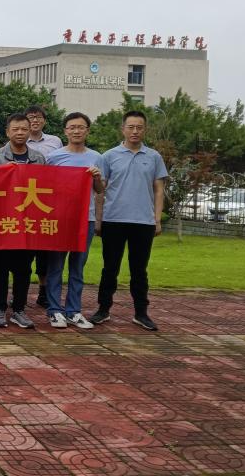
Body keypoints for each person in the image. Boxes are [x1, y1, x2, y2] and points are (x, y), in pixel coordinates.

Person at [91, 110, 168, 331]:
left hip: (143, 222)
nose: (135, 131)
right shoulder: (108, 156)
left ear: (145, 130)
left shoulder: (154, 157)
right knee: (110, 268)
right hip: (114, 219)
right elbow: (100, 190)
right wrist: (99, 219)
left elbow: (159, 189)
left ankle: (141, 313)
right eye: (131, 127)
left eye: (139, 127)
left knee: (139, 270)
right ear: (123, 129)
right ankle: (103, 309)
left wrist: (157, 219)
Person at [0, 113, 46, 329]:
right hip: (2, 223)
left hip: (27, 223)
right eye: (15, 129)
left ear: (30, 131)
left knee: (23, 269)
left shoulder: (39, 158)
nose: (20, 133)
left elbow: (46, 188)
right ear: (7, 132)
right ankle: (0, 308)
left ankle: (19, 309)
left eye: (24, 129)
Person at [45, 112, 105, 330]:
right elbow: (45, 186)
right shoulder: (54, 157)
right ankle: (54, 310)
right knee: (55, 266)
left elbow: (100, 189)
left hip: (85, 219)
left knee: (78, 267)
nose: (76, 131)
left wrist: (96, 177)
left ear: (87, 131)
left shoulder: (97, 157)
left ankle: (73, 311)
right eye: (72, 127)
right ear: (65, 131)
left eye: (81, 127)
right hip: (60, 218)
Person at [25, 105, 63, 308]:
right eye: (31, 117)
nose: (35, 120)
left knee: (44, 251)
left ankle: (43, 290)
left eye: (38, 117)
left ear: (44, 121)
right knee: (23, 250)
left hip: (47, 201)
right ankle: (20, 292)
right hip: (24, 202)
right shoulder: (18, 141)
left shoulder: (55, 141)